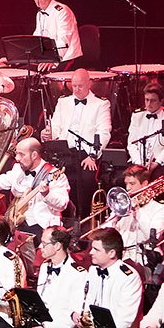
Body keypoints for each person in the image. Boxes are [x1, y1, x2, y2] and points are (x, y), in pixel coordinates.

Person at [0, 138, 69, 239]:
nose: (17, 158)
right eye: (16, 154)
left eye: (21, 154)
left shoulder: (55, 175)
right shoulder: (18, 169)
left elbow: (62, 204)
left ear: (34, 155)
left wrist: (47, 194)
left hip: (41, 227)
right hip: (16, 223)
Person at [44, 68, 111, 222]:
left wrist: (93, 155)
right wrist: (48, 133)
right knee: (52, 178)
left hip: (86, 152)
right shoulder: (63, 102)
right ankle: (61, 217)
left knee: (86, 180)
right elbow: (56, 127)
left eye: (80, 86)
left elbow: (104, 132)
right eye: (74, 86)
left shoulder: (101, 104)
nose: (76, 89)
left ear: (89, 84)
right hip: (63, 151)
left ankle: (84, 218)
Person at [104, 166, 164, 269]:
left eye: (132, 184)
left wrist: (138, 212)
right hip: (119, 257)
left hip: (143, 259)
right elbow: (105, 233)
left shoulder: (161, 208)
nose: (128, 188)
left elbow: (153, 237)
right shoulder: (123, 204)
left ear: (145, 184)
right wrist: (115, 218)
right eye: (126, 183)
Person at [126, 83, 164, 179]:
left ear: (161, 101)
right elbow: (132, 143)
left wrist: (156, 163)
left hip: (160, 162)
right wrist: (139, 163)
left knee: (156, 180)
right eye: (146, 100)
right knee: (124, 180)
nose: (148, 104)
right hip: (139, 161)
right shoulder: (137, 115)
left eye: (153, 100)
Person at [29, 0, 82, 69]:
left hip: (67, 59)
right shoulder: (39, 14)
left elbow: (64, 41)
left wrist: (53, 60)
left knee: (43, 74)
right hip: (48, 58)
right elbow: (36, 40)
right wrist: (19, 57)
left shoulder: (62, 11)